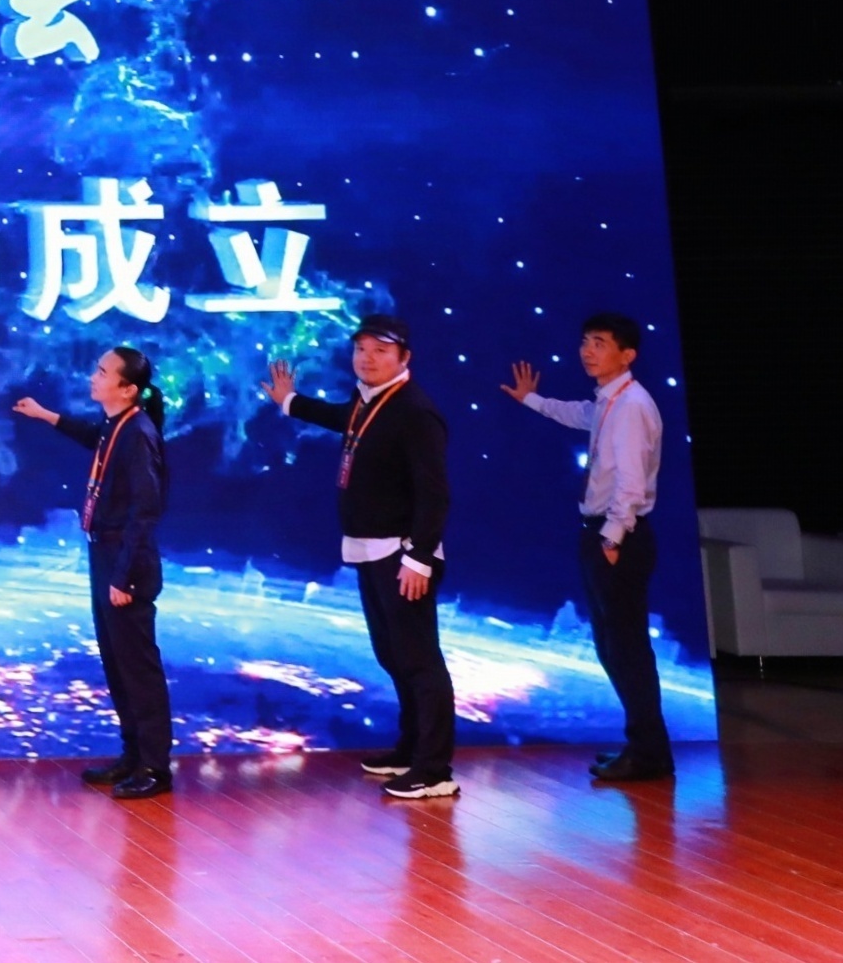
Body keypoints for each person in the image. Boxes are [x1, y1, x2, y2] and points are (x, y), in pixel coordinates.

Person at [265, 314, 459, 800]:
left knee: (419, 659)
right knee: (393, 655)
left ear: (404, 358)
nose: (367, 359)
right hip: (372, 550)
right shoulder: (368, 400)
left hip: (402, 554)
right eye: (361, 349)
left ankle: (434, 768)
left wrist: (418, 557)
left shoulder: (415, 411)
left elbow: (434, 493)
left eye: (380, 351)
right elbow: (343, 419)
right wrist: (290, 402)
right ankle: (411, 749)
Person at [503, 312, 671, 782]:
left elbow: (631, 482)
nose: (587, 351)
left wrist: (612, 538)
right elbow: (579, 414)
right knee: (614, 647)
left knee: (626, 649)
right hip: (605, 532)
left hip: (618, 536)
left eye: (599, 343)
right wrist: (532, 400)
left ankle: (649, 754)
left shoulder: (631, 405)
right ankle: (645, 749)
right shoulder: (609, 401)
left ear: (627, 354)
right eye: (585, 342)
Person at [16, 346, 173, 800]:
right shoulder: (116, 425)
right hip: (105, 553)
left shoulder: (138, 433)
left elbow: (145, 510)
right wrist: (46, 415)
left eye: (103, 372)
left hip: (126, 560)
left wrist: (123, 576)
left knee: (138, 666)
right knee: (117, 662)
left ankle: (154, 765)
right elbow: (93, 436)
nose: (93, 376)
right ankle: (132, 755)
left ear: (128, 389)